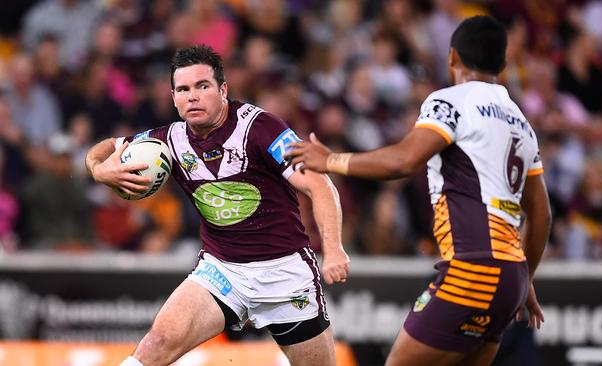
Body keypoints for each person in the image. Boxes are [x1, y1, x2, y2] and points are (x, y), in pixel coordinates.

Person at [285, 16, 551, 366]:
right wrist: (524, 279)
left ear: (452, 57)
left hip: (472, 269)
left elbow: (403, 161)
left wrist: (331, 159)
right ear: (502, 65)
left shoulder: (452, 101)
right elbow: (542, 214)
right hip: (512, 277)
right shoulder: (520, 122)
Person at [85, 45, 350, 366]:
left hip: (284, 274)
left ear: (223, 90)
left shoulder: (261, 128)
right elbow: (105, 148)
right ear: (173, 97)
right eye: (183, 89)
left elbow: (319, 184)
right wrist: (99, 169)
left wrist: (334, 248)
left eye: (202, 86)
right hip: (223, 271)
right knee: (155, 345)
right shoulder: (169, 140)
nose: (192, 96)